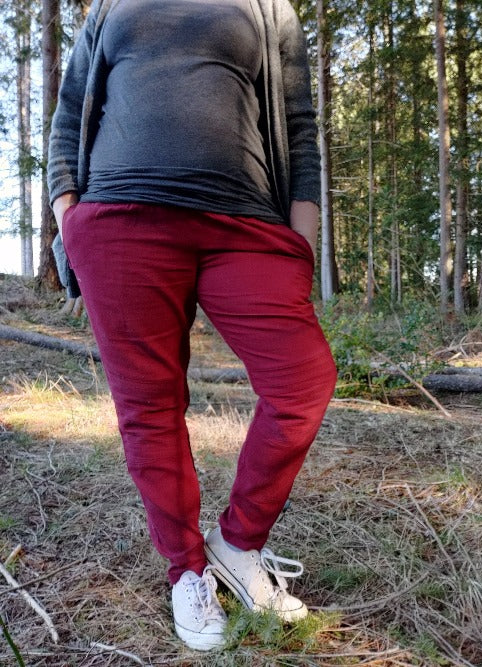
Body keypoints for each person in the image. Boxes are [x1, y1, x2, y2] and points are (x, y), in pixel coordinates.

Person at [48, 0, 337, 652]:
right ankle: (186, 569)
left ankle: (238, 543)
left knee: (303, 380)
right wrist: (71, 219)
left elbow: (299, 128)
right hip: (120, 220)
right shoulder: (110, 7)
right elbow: (69, 118)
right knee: (150, 405)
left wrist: (300, 247)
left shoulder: (270, 7)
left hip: (245, 224)